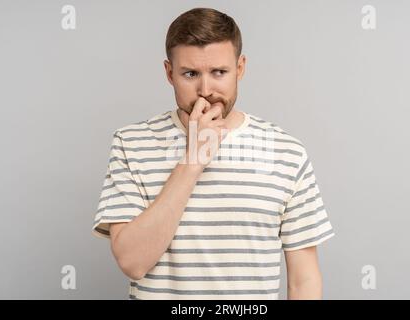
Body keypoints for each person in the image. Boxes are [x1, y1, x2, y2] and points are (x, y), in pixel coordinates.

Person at [92, 7, 335, 300]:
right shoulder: (131, 143)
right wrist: (192, 162)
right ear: (169, 73)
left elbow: (304, 280)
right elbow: (132, 262)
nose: (205, 90)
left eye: (219, 72)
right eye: (190, 73)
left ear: (240, 68)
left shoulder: (287, 152)